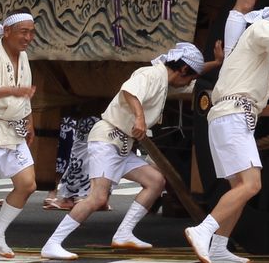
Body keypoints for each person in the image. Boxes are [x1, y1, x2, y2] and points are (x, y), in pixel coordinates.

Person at [40, 44, 206, 260]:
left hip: (121, 144)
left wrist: (217, 64)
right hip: (107, 140)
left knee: (156, 181)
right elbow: (130, 91)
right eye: (190, 77)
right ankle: (52, 243)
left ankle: (123, 233)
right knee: (97, 198)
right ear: (183, 70)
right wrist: (139, 117)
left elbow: (188, 78)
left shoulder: (163, 79)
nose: (189, 83)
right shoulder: (151, 73)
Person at [186, 6, 269, 263]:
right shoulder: (261, 28)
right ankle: (203, 231)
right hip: (233, 117)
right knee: (251, 184)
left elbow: (251, 101)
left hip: (231, 115)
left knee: (240, 187)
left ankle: (218, 248)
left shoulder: (251, 54)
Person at [0, 13, 40, 261]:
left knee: (27, 184)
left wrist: (29, 121)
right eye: (23, 31)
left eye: (31, 32)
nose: (28, 37)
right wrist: (13, 90)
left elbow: (26, 93)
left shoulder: (23, 57)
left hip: (13, 128)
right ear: (7, 32)